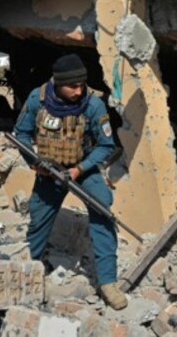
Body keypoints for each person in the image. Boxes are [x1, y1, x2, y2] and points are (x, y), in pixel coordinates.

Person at [12, 53, 127, 310]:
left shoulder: (93, 104)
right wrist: (34, 163)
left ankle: (108, 281)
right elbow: (21, 133)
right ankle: (29, 269)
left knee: (102, 210)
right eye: (72, 86)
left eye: (81, 84)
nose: (78, 90)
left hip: (82, 169)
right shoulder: (37, 99)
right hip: (49, 171)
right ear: (57, 83)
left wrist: (80, 169)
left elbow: (106, 145)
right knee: (39, 219)